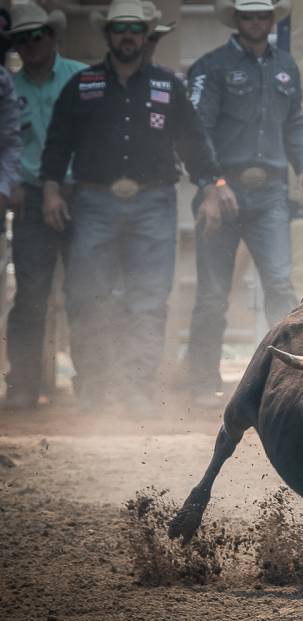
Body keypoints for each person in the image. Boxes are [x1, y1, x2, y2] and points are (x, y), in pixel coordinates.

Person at [39, 0, 229, 413]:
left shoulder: (168, 85)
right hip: (94, 200)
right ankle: (93, 388)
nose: (127, 36)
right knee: (88, 296)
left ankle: (139, 388)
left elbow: (194, 143)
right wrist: (51, 189)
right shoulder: (83, 84)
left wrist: (211, 187)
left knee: (149, 298)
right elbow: (57, 143)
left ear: (146, 36)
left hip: (153, 201)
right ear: (108, 34)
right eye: (120, 28)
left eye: (135, 29)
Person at [184, 0, 303, 407]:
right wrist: (211, 184)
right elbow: (197, 131)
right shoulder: (211, 66)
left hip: (270, 190)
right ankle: (201, 381)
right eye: (248, 15)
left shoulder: (285, 66)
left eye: (261, 15)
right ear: (237, 20)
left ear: (271, 19)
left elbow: (295, 121)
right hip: (223, 189)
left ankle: (288, 379)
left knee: (279, 283)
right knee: (213, 293)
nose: (256, 22)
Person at [2, 3, 74, 409]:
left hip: (79, 193)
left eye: (37, 35)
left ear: (52, 35)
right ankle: (23, 384)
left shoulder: (80, 77)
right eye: (22, 39)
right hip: (28, 195)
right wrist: (10, 182)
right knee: (31, 294)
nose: (31, 44)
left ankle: (95, 384)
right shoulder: (8, 88)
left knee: (87, 290)